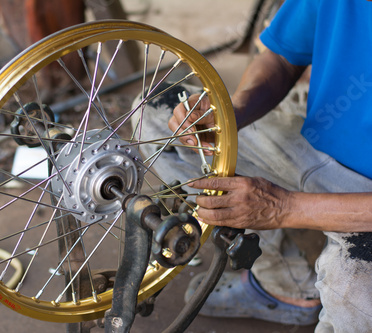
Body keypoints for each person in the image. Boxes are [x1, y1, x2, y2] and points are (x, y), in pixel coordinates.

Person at [140, 0, 372, 331]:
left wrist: (284, 208)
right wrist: (231, 115)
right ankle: (285, 286)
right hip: (315, 143)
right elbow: (282, 57)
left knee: (356, 294)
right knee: (155, 116)